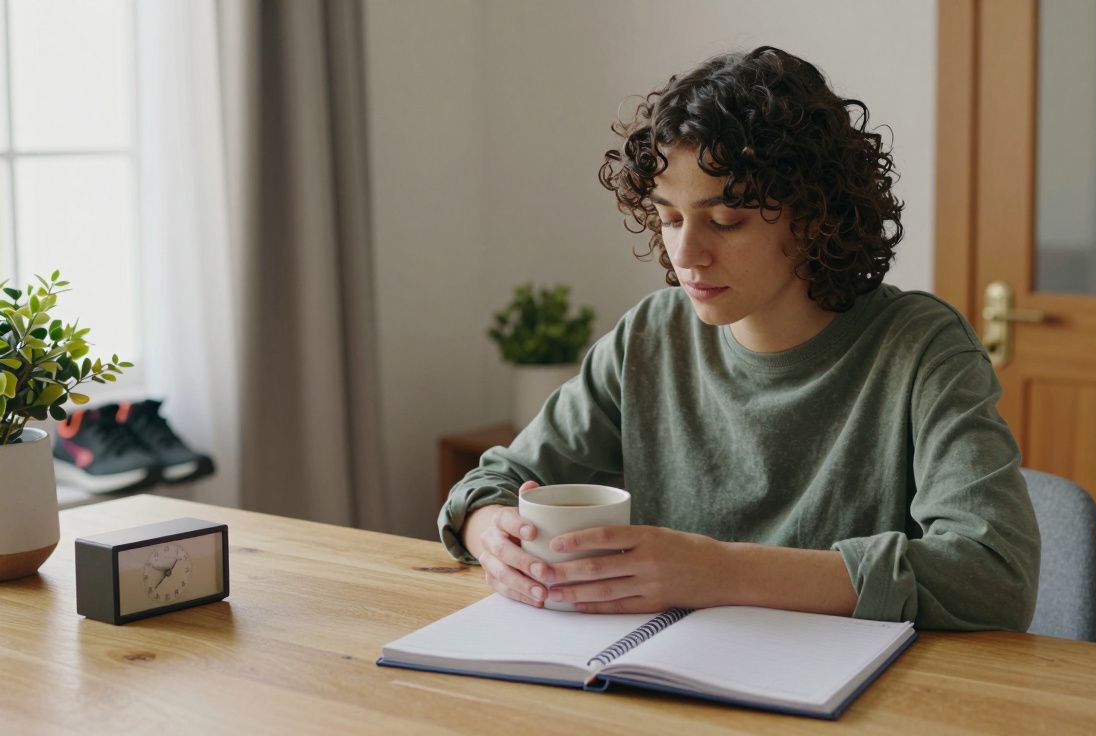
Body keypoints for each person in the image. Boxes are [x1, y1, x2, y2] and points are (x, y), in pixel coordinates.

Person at [438, 46, 1040, 630]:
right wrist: (490, 531)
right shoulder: (649, 337)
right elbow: (490, 483)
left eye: (726, 221)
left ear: (814, 216)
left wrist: (718, 570)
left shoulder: (923, 349)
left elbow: (993, 576)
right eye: (669, 218)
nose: (685, 254)